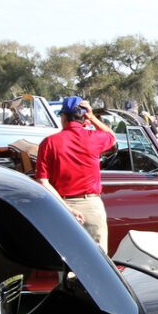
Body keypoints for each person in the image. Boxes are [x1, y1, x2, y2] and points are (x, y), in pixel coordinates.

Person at [34, 97, 117, 251]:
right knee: (98, 259)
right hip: (91, 206)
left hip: (61, 206)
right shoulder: (94, 138)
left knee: (64, 257)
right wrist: (92, 118)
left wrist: (67, 208)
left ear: (63, 117)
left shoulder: (49, 143)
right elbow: (112, 137)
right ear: (83, 117)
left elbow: (42, 181)